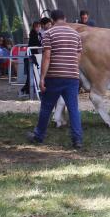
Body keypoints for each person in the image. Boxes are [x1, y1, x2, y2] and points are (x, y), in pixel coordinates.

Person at [27, 9, 83, 149]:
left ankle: (38, 136)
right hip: (72, 77)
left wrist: (42, 78)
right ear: (65, 18)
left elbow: (46, 57)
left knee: (46, 107)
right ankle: (77, 140)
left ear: (52, 20)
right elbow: (78, 58)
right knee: (73, 109)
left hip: (54, 76)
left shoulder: (49, 34)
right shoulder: (76, 34)